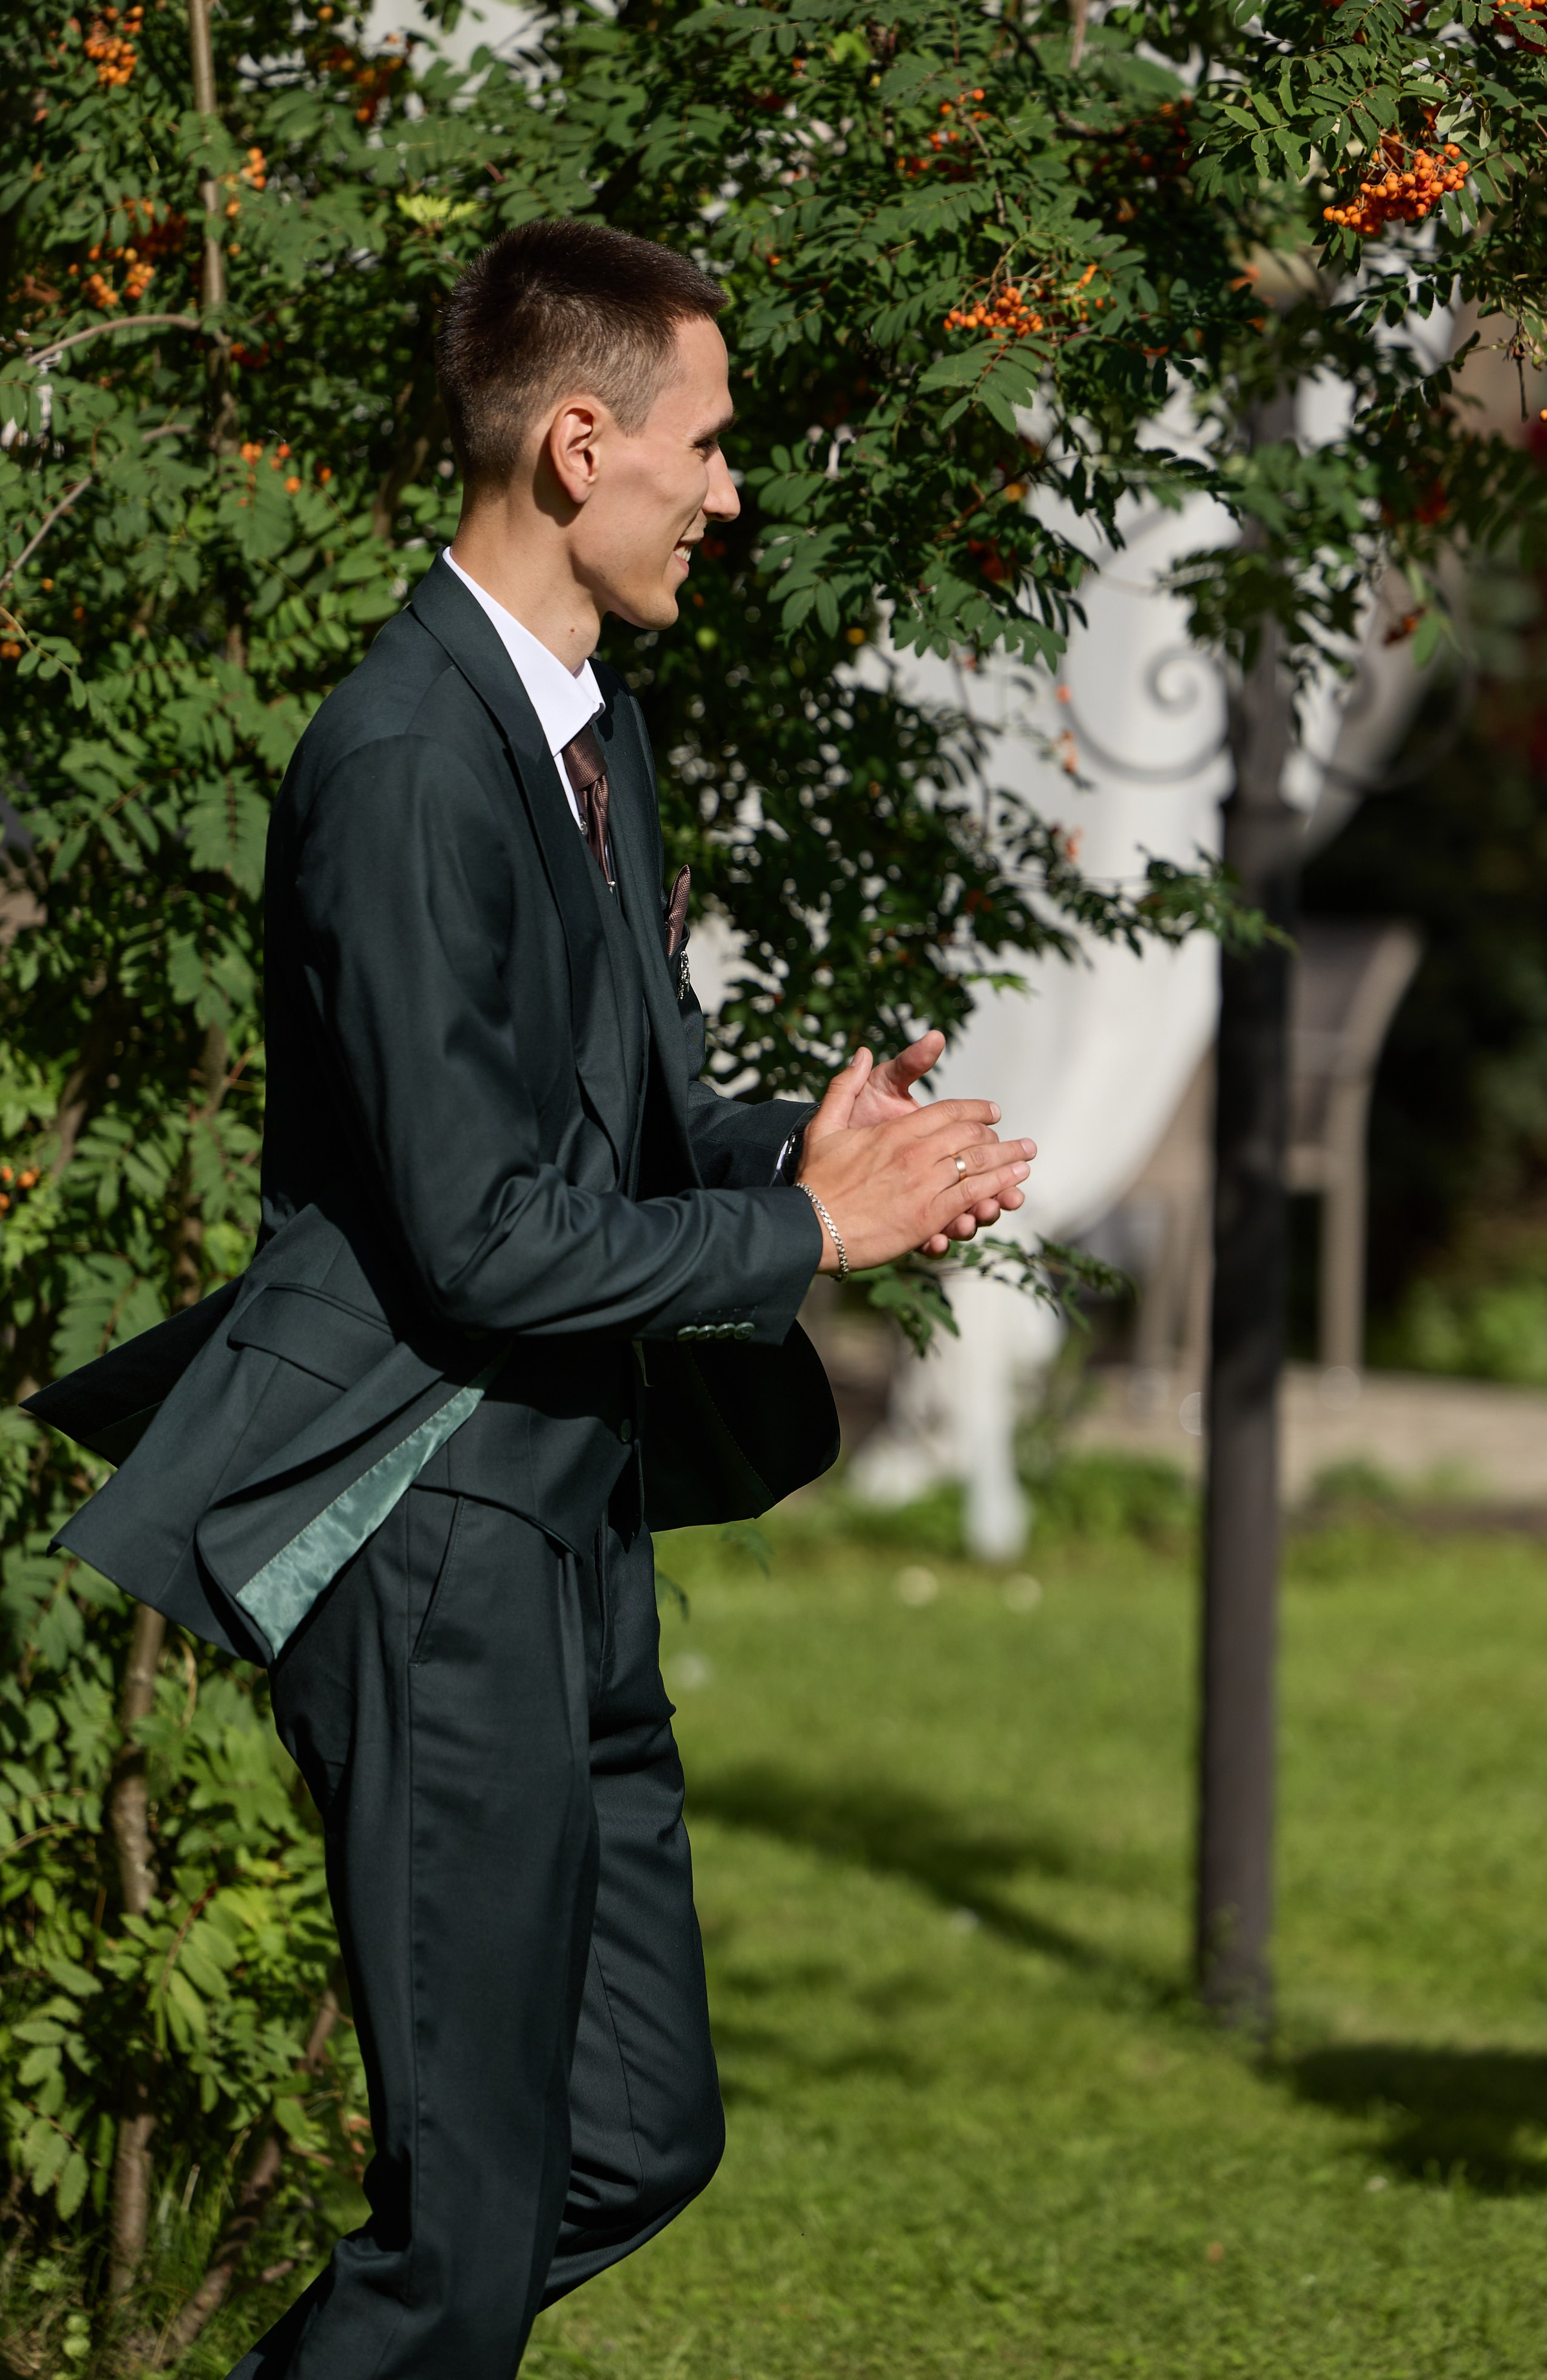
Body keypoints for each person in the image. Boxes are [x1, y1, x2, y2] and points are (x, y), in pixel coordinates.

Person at [25, 218, 1035, 2378]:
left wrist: (803, 1150)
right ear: (584, 445)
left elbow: (602, 1125)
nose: (730, 488)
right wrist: (812, 1246)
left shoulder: (589, 733)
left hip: (567, 1527)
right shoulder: (402, 768)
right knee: (466, 2225)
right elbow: (479, 1233)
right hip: (426, 1539)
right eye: (710, 444)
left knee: (632, 2140)